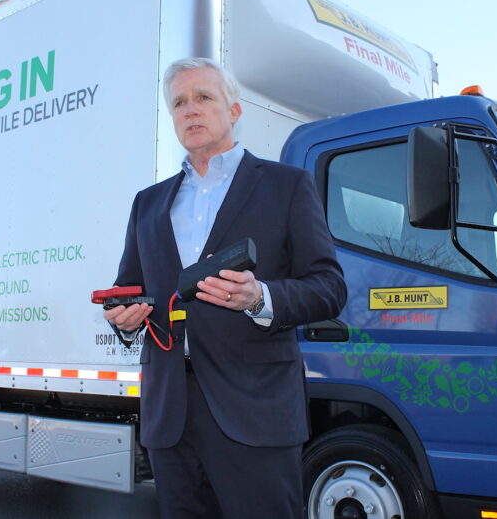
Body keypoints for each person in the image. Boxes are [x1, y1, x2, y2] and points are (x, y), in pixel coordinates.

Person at [104, 57, 346, 519]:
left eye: (203, 98)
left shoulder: (286, 186)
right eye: (179, 102)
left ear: (234, 111)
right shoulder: (148, 204)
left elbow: (329, 287)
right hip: (169, 411)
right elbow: (128, 288)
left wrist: (260, 298)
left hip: (255, 410)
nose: (190, 110)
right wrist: (124, 316)